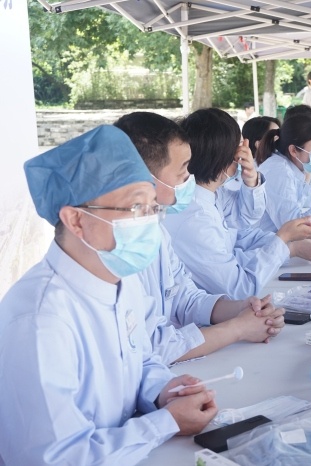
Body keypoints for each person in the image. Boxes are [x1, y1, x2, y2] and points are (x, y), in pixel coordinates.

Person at [0, 126, 218, 464]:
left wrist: (165, 391)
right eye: (136, 208)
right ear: (76, 220)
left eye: (152, 207)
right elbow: (56, 457)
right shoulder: (40, 321)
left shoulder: (120, 278)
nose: (150, 222)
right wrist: (165, 422)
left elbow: (141, 359)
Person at [115, 112, 285, 365]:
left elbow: (185, 298)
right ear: (146, 180)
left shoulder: (155, 229)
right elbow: (151, 346)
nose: (189, 178)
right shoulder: (116, 249)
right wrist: (237, 328)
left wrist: (242, 309)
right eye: (183, 169)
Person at [163, 108, 311, 299]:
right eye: (238, 147)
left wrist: (251, 180)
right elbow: (240, 289)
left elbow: (242, 226)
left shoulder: (213, 194)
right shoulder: (196, 217)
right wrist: (283, 240)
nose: (244, 154)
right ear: (223, 156)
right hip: (213, 305)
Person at [256, 114, 311, 231]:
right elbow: (294, 228)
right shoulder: (278, 171)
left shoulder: (293, 168)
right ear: (294, 150)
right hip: (267, 240)